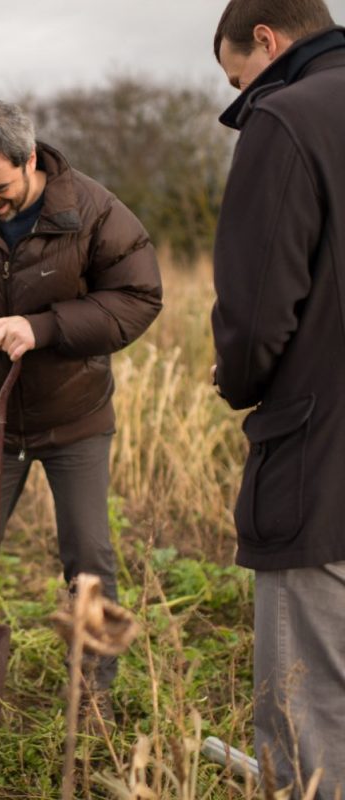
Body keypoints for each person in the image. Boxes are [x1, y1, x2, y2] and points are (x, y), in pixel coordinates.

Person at [0, 100, 162, 719]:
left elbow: (138, 296)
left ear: (31, 160)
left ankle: (92, 689)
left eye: (1, 189)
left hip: (75, 418)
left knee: (88, 555)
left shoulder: (93, 211)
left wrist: (42, 328)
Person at [211, 1, 345, 796]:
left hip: (323, 461)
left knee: (309, 714)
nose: (244, 95)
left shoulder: (287, 118)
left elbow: (257, 313)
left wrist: (238, 381)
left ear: (267, 39)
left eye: (239, 80)